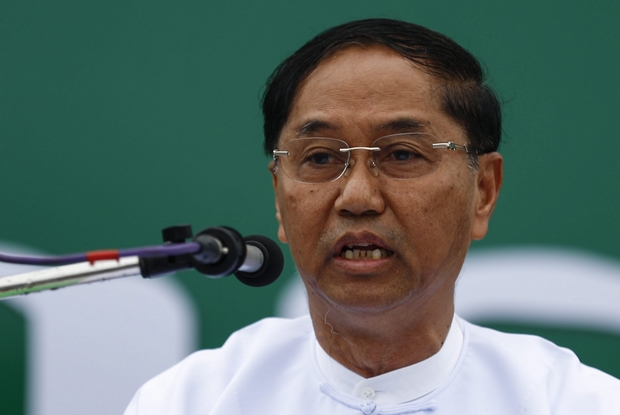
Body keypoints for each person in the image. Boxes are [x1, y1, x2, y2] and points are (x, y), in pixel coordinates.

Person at [124, 18, 620, 414]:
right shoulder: (187, 402)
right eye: (319, 157)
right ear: (279, 194)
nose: (357, 196)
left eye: (402, 154)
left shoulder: (576, 403)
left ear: (483, 191)